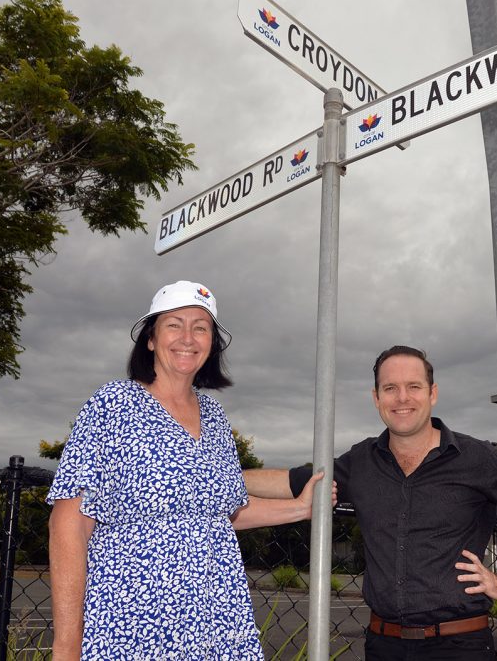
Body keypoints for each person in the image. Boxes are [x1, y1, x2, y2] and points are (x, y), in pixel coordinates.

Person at [47, 280, 326, 661]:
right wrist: (67, 643)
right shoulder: (113, 404)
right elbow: (70, 521)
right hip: (133, 619)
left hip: (217, 617)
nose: (188, 337)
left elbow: (220, 513)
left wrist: (301, 507)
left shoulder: (214, 415)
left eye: (201, 327)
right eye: (174, 324)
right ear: (150, 339)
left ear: (212, 344)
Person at [244, 345, 497, 660]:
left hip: (459, 646)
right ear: (376, 398)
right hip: (383, 645)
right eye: (390, 388)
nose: (402, 398)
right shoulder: (361, 462)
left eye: (414, 386)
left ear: (433, 393)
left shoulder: (477, 458)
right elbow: (292, 481)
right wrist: (216, 473)